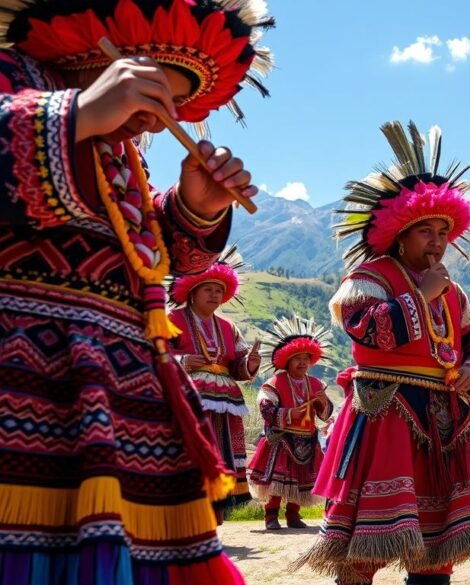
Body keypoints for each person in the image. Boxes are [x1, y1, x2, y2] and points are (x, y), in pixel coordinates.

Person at [0, 1, 271, 582]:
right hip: (24, 392)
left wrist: (195, 210)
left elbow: (137, 260)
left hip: (121, 398)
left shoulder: (120, 153)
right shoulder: (14, 80)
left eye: (169, 105)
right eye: (151, 97)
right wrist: (76, 114)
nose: (156, 121)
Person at [294, 122, 470, 585]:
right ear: (399, 234)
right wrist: (420, 297)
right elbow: (365, 330)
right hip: (384, 412)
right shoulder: (370, 276)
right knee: (366, 536)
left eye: (442, 231)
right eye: (424, 230)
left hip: (444, 415)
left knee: (434, 541)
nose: (436, 241)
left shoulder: (454, 291)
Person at [167, 246, 260, 519]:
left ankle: (217, 511)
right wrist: (182, 361)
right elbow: (153, 351)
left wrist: (250, 363)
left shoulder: (230, 328)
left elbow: (238, 366)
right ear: (192, 292)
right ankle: (187, 512)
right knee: (191, 449)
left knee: (224, 452)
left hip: (227, 404)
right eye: (208, 289)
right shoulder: (172, 319)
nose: (215, 295)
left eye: (219, 291)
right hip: (188, 397)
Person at [247, 316, 335, 530]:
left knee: (300, 482)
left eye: (306, 358)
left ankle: (293, 515)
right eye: (297, 358)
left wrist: (324, 404)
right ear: (286, 360)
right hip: (281, 440)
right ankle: (270, 516)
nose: (303, 362)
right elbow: (266, 408)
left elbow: (325, 415)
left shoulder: (315, 384)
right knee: (277, 482)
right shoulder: (273, 383)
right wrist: (288, 414)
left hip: (307, 438)